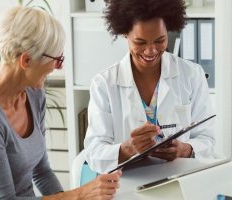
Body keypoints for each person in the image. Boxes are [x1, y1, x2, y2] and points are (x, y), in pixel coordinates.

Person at [0, 6, 121, 200]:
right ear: (26, 61)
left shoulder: (34, 95)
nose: (59, 67)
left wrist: (74, 198)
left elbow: (41, 172)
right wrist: (79, 195)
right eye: (57, 59)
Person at [84, 0, 216, 173]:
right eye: (140, 42)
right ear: (125, 33)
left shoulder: (192, 74)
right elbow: (94, 153)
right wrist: (128, 149)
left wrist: (184, 149)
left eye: (159, 40)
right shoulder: (104, 84)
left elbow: (208, 139)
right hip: (127, 182)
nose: (150, 50)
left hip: (180, 177)